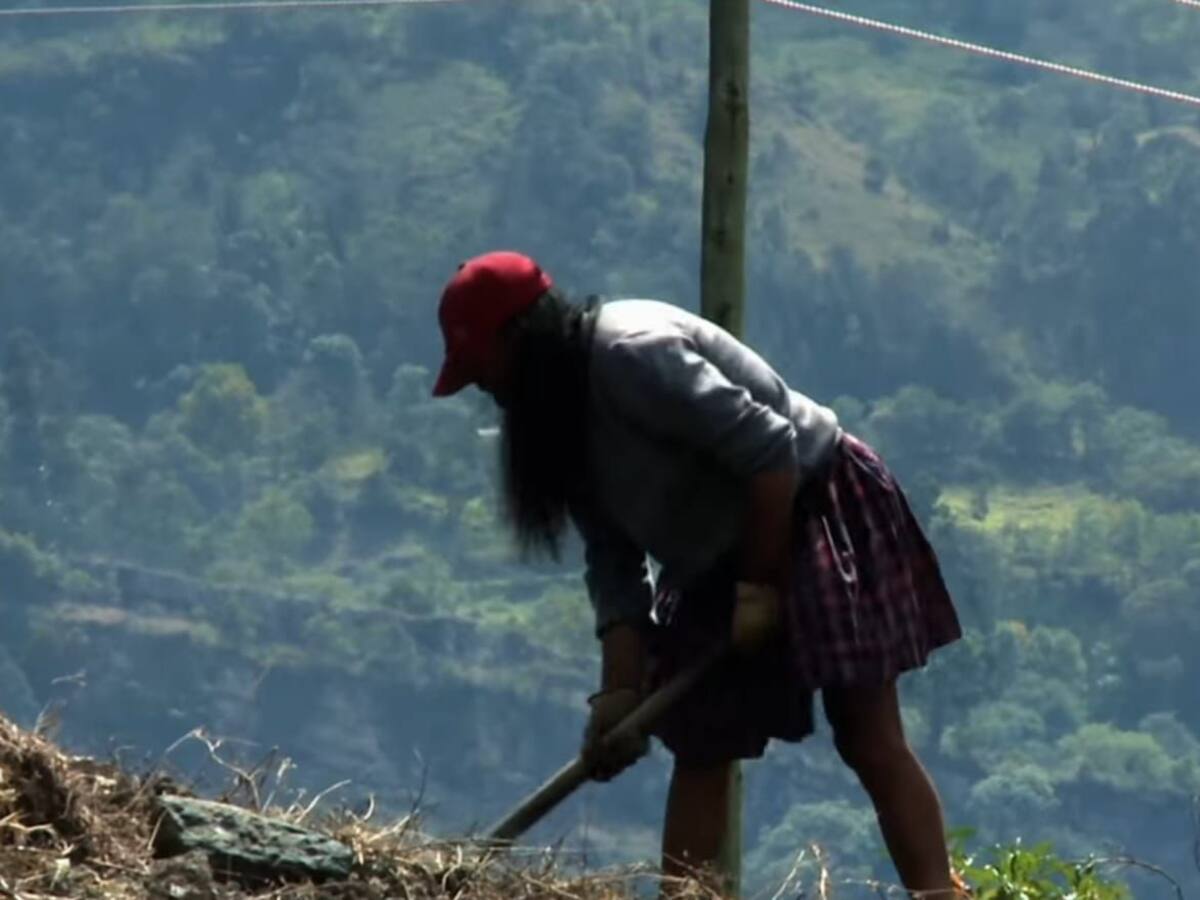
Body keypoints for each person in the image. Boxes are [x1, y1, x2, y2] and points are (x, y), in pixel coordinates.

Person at [430, 250, 966, 898]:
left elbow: (774, 453)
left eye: (483, 368)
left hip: (812, 503)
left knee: (866, 733)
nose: (486, 390)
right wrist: (617, 695)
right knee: (701, 743)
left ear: (521, 338)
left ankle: (937, 892)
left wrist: (760, 590)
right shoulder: (556, 418)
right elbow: (613, 557)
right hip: (718, 555)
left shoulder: (631, 354)